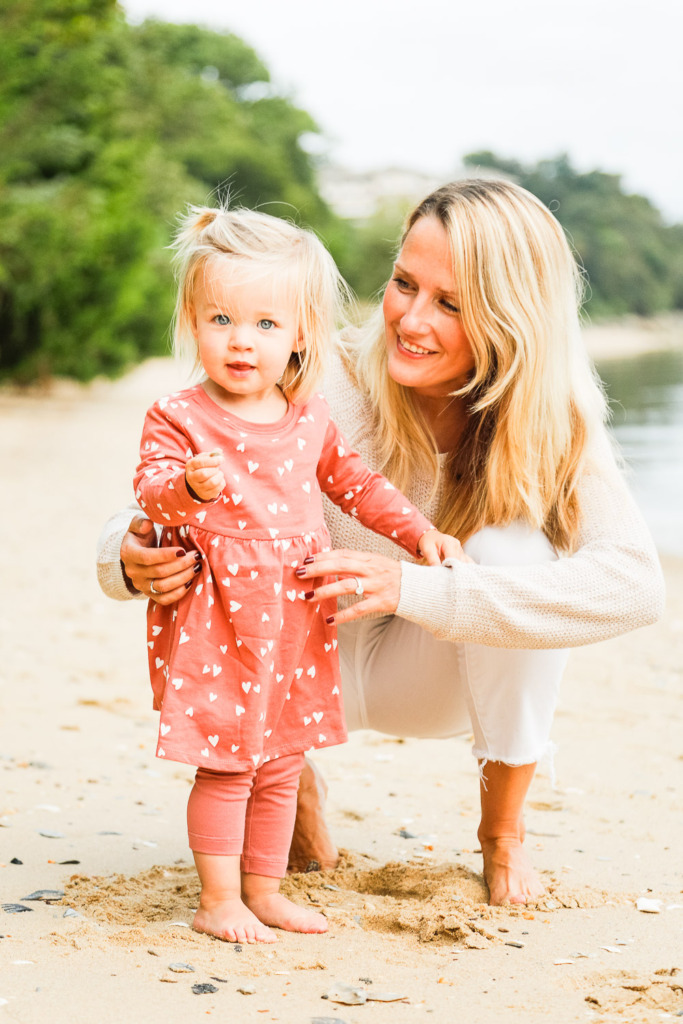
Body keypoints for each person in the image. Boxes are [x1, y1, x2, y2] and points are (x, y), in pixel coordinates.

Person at [98, 179, 664, 909]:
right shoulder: (315, 368)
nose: (410, 319)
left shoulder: (549, 425)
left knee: (516, 554)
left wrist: (415, 589)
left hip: (430, 675)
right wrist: (125, 557)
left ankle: (502, 833)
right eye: (403, 283)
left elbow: (633, 585)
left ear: (511, 319)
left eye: (450, 303)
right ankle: (290, 778)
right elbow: (177, 485)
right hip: (286, 655)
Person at [130, 203, 458, 945]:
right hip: (219, 619)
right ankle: (217, 900)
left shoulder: (305, 418)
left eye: (265, 326)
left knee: (281, 762)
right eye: (221, 320)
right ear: (192, 318)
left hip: (293, 619)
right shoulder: (179, 416)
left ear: (301, 333)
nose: (241, 342)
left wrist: (419, 532)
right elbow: (148, 490)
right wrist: (189, 489)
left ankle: (265, 889)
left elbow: (358, 487)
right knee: (224, 766)